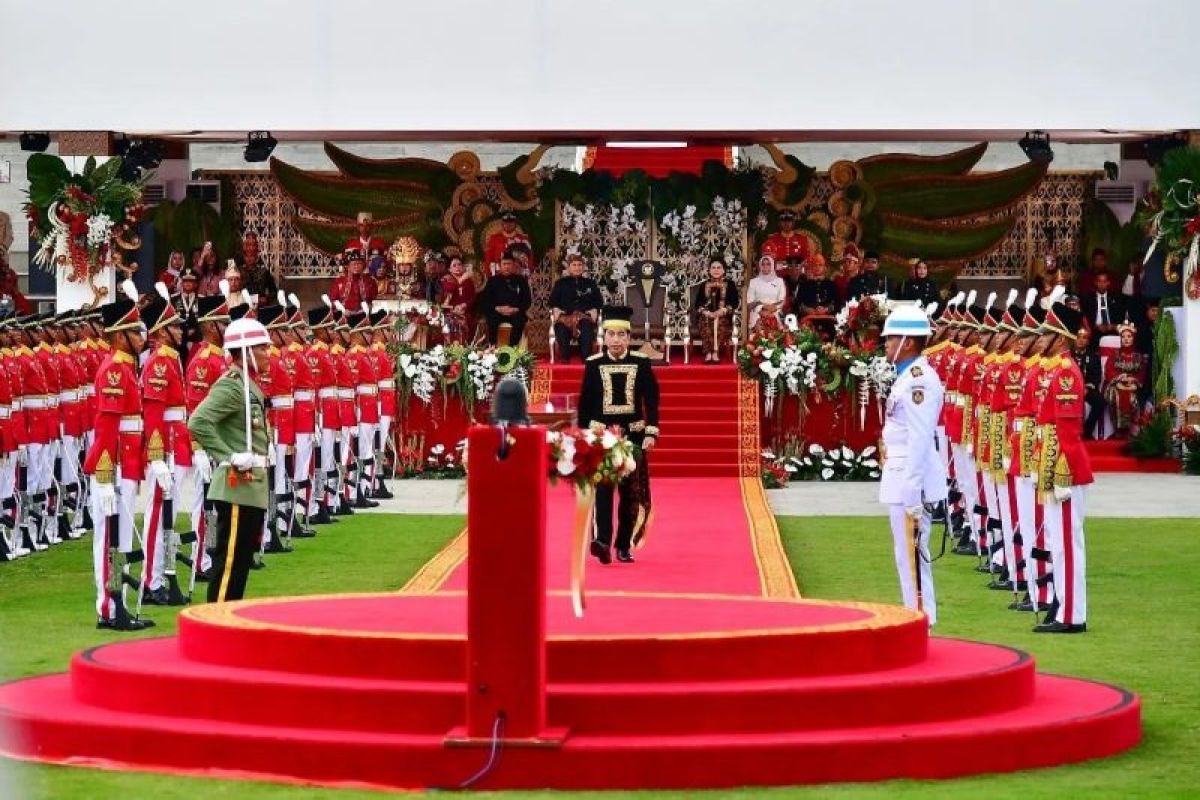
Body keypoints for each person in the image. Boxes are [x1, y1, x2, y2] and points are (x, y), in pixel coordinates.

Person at [187, 316, 273, 604]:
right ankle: (215, 629)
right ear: (247, 351)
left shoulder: (248, 385)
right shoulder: (233, 385)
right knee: (228, 568)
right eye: (262, 348)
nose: (267, 353)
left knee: (239, 568)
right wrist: (228, 455)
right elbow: (198, 421)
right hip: (237, 486)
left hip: (250, 486)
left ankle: (228, 626)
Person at [84, 283, 151, 631]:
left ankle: (118, 605)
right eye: (135, 332)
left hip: (125, 469)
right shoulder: (114, 370)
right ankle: (109, 608)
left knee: (121, 539)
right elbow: (106, 430)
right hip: (113, 471)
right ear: (120, 336)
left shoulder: (126, 368)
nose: (142, 337)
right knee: (109, 540)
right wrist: (105, 477)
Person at [878, 304, 947, 626]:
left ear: (907, 341)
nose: (886, 344)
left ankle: (920, 618)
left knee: (912, 555)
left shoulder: (919, 381)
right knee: (903, 554)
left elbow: (920, 438)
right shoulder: (907, 377)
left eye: (890, 339)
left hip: (910, 477)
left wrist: (912, 489)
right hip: (901, 472)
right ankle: (915, 616)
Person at [578, 306, 659, 565]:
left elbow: (652, 401)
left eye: (620, 335)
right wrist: (584, 435)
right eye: (610, 334)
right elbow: (584, 403)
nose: (615, 340)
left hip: (632, 437)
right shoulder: (593, 365)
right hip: (603, 438)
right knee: (602, 492)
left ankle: (623, 545)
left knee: (630, 494)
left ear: (628, 337)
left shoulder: (641, 363)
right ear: (604, 336)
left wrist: (651, 432)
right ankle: (602, 541)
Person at [1033, 300, 1092, 633]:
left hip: (1064, 465)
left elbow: (1067, 430)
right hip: (1054, 461)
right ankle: (1064, 606)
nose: (1041, 339)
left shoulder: (1066, 373)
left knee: (1067, 543)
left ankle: (1071, 615)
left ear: (1060, 337)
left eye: (1047, 334)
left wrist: (1061, 474)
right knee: (1059, 541)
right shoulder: (1057, 369)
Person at [138, 286, 193, 606]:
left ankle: (162, 574)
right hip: (165, 448)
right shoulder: (160, 362)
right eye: (173, 326)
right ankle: (151, 579)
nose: (180, 330)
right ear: (160, 331)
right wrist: (157, 458)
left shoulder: (171, 360)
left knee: (167, 516)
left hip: (175, 444)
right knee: (157, 515)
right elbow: (154, 415)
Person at [549, 254, 603, 362]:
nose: (577, 267)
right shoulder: (560, 283)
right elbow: (552, 302)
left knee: (587, 329)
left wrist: (591, 311)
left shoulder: (590, 284)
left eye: (579, 265)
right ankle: (565, 359)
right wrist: (560, 312)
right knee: (561, 329)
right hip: (566, 317)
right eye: (574, 265)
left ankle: (586, 360)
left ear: (583, 267)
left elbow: (599, 302)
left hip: (584, 317)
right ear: (569, 268)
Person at [1103, 319, 1147, 436]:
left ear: (1133, 338)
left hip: (1134, 386)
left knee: (1132, 398)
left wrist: (1133, 380)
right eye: (1123, 337)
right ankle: (1119, 430)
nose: (1126, 339)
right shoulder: (1115, 354)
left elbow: (1142, 373)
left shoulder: (1138, 356)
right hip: (1116, 386)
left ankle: (1128, 431)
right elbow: (1108, 370)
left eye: (1129, 336)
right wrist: (1119, 377)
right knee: (1116, 396)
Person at [477, 251, 532, 345]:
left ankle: (511, 349)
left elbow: (527, 300)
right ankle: (492, 347)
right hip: (498, 312)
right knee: (492, 320)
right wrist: (497, 308)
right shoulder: (493, 281)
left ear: (513, 265)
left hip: (515, 312)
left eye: (509, 264)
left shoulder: (521, 280)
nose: (507, 266)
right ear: (500, 265)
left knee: (519, 321)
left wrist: (516, 309)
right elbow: (485, 300)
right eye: (504, 264)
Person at [693, 258, 739, 363]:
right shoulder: (704, 285)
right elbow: (698, 304)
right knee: (706, 323)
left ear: (724, 270)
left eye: (719, 268)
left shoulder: (730, 284)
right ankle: (708, 352)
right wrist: (706, 312)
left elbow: (734, 302)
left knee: (719, 324)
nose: (716, 270)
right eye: (713, 268)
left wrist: (723, 310)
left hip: (723, 316)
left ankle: (715, 352)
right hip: (706, 315)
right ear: (709, 270)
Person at [1072, 326, 1106, 440]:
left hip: (1088, 389)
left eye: (1084, 338)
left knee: (1100, 402)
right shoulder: (1069, 355)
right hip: (1070, 389)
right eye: (1078, 337)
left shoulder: (1094, 356)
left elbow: (1097, 376)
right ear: (1074, 339)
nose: (1081, 340)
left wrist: (1087, 388)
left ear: (1088, 341)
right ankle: (1070, 431)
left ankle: (1087, 431)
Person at [439, 257, 478, 343]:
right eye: (454, 265)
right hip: (450, 311)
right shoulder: (446, 279)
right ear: (449, 269)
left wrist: (465, 305)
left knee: (468, 320)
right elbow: (449, 290)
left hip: (465, 311)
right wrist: (460, 280)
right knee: (452, 321)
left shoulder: (468, 281)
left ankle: (465, 348)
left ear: (463, 267)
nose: (457, 267)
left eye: (459, 264)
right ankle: (451, 348)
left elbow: (473, 297)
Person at [746, 255, 787, 332]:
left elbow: (782, 300)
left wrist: (771, 310)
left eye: (768, 264)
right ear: (760, 266)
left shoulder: (779, 281)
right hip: (757, 314)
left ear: (772, 265)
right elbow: (749, 302)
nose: (765, 266)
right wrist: (762, 308)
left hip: (775, 313)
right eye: (763, 264)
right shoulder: (753, 282)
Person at [483, 211, 532, 275]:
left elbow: (530, 260)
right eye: (506, 222)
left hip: (517, 276)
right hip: (499, 275)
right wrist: (491, 276)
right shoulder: (494, 239)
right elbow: (488, 259)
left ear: (515, 224)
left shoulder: (523, 239)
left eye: (511, 222)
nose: (508, 225)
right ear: (502, 224)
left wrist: (524, 271)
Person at [1080, 271, 1124, 338]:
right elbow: (1084, 317)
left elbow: (1121, 317)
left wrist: (1114, 326)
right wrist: (1096, 326)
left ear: (1108, 283)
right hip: (1094, 332)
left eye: (1104, 281)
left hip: (1112, 331)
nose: (1102, 284)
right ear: (1095, 283)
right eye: (1099, 281)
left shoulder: (1116, 298)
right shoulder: (1088, 299)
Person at [239, 232, 279, 299]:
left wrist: (266, 298)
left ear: (256, 257)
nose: (249, 259)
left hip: (260, 304)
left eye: (252, 256)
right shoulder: (239, 271)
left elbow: (274, 292)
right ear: (243, 257)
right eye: (247, 256)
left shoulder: (263, 272)